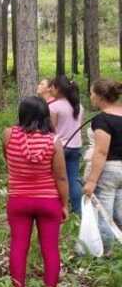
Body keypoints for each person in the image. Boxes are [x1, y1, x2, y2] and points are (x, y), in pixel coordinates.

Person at [3, 96, 69, 287]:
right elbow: (61, 178)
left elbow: (8, 160)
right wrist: (64, 204)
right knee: (50, 248)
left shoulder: (8, 135)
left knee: (18, 245)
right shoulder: (54, 142)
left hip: (18, 200)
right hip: (48, 202)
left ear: (21, 114)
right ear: (45, 116)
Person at [83, 79, 122, 254]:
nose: (90, 97)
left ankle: (106, 253)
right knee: (119, 211)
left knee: (104, 214)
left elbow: (101, 152)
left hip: (109, 171)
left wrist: (92, 181)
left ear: (100, 97)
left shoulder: (102, 120)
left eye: (92, 93)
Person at [48, 75, 84, 213]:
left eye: (52, 86)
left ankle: (58, 207)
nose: (50, 89)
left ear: (57, 89)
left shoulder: (53, 107)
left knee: (56, 178)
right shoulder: (78, 106)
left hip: (60, 147)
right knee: (73, 179)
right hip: (75, 145)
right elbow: (78, 126)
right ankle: (78, 211)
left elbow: (51, 129)